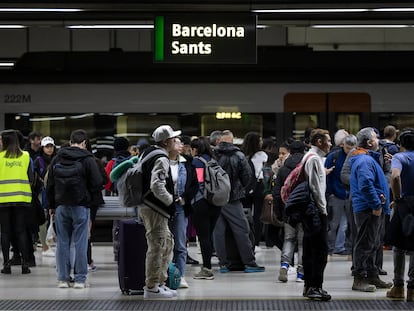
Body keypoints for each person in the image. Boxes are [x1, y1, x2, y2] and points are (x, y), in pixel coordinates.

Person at [46, 129, 103, 289]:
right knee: (80, 243)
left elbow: (49, 184)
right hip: (81, 206)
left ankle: (63, 279)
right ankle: (80, 279)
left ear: (71, 142)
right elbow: (98, 183)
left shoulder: (58, 158)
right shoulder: (87, 159)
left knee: (62, 243)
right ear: (84, 143)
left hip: (61, 206)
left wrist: (51, 205)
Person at [213, 130, 265, 273]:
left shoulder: (213, 155)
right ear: (232, 141)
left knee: (219, 232)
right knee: (242, 229)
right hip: (232, 198)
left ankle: (223, 264)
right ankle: (249, 263)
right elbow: (247, 177)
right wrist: (240, 189)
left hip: (215, 198)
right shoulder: (239, 155)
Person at [139, 125, 181, 299]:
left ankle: (159, 283)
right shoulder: (161, 158)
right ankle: (152, 286)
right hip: (155, 208)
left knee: (167, 242)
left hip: (150, 207)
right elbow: (156, 185)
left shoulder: (148, 152)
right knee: (157, 246)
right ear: (166, 142)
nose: (176, 142)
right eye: (173, 139)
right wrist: (170, 201)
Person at [349, 127, 392, 292]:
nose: (378, 141)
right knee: (365, 244)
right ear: (368, 142)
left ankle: (372, 275)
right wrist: (375, 204)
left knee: (373, 243)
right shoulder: (364, 160)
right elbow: (365, 184)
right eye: (375, 138)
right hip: (369, 208)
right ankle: (359, 279)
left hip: (373, 206)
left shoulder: (367, 159)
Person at [301, 129, 332, 301]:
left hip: (310, 210)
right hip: (316, 211)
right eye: (328, 140)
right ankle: (315, 286)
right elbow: (316, 189)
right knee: (320, 251)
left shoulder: (311, 157)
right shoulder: (314, 159)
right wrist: (323, 210)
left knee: (310, 249)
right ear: (319, 142)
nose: (331, 144)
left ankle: (309, 286)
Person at [385, 128, 414, 302]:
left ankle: (398, 287)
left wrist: (397, 197)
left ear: (401, 144)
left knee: (399, 246)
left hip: (404, 205)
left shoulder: (399, 157)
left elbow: (395, 177)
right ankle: (412, 289)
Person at [0, 129, 34, 275]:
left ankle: (6, 264)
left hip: (3, 199)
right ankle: (25, 264)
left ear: (6, 141)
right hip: (22, 199)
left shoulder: (0, 157)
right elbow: (31, 178)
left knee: (5, 232)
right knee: (21, 231)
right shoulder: (26, 156)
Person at [168, 137, 198, 288]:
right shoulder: (161, 161)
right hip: (163, 207)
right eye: (176, 142)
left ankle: (180, 275)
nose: (180, 145)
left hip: (180, 206)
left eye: (180, 143)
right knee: (163, 243)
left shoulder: (187, 162)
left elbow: (194, 185)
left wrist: (184, 198)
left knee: (180, 243)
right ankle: (164, 275)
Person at [274, 140, 306, 283]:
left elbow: (277, 192)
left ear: (290, 152)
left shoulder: (283, 169)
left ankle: (285, 265)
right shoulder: (306, 167)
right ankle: (300, 273)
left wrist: (279, 211)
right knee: (302, 242)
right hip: (304, 209)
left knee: (288, 239)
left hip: (288, 209)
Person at [191, 137, 222, 280]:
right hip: (215, 202)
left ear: (195, 149)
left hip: (201, 202)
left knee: (203, 237)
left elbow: (199, 182)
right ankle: (208, 266)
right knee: (208, 236)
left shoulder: (197, 162)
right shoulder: (214, 160)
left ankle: (207, 269)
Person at [325, 133, 356, 257]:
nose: (350, 150)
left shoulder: (357, 157)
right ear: (343, 145)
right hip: (336, 195)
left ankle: (348, 248)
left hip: (350, 195)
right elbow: (328, 176)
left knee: (350, 224)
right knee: (333, 223)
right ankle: (330, 248)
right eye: (348, 148)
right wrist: (330, 193)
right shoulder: (334, 157)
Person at [241, 132, 268, 248]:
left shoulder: (242, 155)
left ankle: (246, 237)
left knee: (245, 213)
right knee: (258, 215)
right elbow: (264, 170)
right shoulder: (262, 155)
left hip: (246, 186)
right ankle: (256, 240)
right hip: (259, 185)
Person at [33, 136, 57, 257]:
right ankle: (44, 246)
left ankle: (49, 242)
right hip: (41, 193)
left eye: (51, 146)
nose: (49, 149)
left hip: (54, 192)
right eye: (47, 146)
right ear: (42, 148)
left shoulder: (56, 159)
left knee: (53, 217)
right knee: (43, 219)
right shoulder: (38, 160)